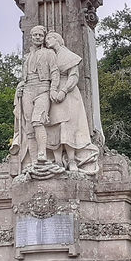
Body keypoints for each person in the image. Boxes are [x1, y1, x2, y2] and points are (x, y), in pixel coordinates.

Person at [44, 31, 99, 174]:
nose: (46, 41)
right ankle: (57, 161)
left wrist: (63, 91)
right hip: (52, 93)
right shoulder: (48, 56)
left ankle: (72, 160)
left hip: (68, 93)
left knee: (67, 126)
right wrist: (51, 91)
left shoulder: (69, 55)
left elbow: (73, 76)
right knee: (53, 127)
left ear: (57, 39)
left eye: (49, 38)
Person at [9, 25, 59, 169]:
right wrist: (20, 88)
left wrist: (53, 89)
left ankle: (42, 153)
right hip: (28, 90)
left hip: (43, 88)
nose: (37, 37)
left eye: (40, 35)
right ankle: (32, 159)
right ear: (31, 37)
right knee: (29, 127)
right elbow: (24, 78)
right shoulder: (27, 57)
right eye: (35, 35)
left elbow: (55, 72)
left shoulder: (49, 53)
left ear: (43, 38)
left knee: (38, 121)